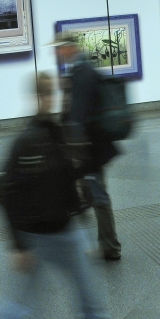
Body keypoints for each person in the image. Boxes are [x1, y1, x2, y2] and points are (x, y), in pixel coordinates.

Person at [0, 72, 110, 319]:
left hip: (68, 233)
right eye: (45, 95)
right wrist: (17, 246)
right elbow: (0, 192)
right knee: (20, 309)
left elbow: (72, 179)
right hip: (34, 240)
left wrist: (81, 217)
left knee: (92, 304)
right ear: (36, 99)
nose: (51, 101)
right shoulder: (25, 142)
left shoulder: (65, 134)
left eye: (55, 95)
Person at [55, 34, 122, 260]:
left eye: (60, 48)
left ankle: (110, 247)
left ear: (70, 48)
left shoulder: (82, 74)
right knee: (87, 196)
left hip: (88, 150)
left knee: (97, 196)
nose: (57, 53)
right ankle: (103, 244)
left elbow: (78, 117)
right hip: (88, 148)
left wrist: (76, 154)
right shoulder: (81, 71)